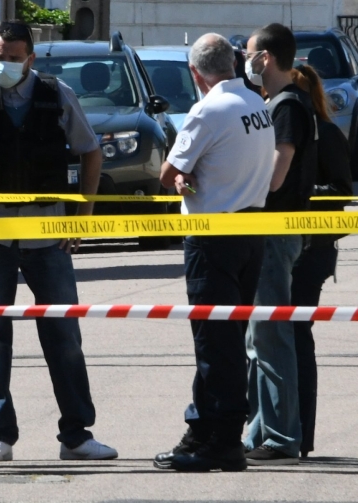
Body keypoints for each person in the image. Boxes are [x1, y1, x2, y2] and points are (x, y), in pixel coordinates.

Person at [0, 20, 117, 462]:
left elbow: (91, 151)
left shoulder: (57, 94)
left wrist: (80, 219)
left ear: (30, 57)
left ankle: (77, 435)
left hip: (48, 235)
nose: (3, 63)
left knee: (64, 334)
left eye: (12, 57)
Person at [154, 33, 275, 472]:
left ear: (194, 72)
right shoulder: (255, 103)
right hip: (250, 232)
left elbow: (169, 174)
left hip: (214, 236)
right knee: (224, 339)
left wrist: (185, 176)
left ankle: (222, 439)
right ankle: (203, 428)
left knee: (214, 341)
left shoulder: (208, 109)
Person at [243, 23, 319, 466]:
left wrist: (240, 188)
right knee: (259, 336)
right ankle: (260, 431)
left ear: (266, 58)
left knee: (271, 337)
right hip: (272, 231)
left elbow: (276, 172)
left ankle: (280, 436)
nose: (246, 60)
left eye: (249, 53)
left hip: (275, 230)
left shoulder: (286, 105)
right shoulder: (282, 102)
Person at [290, 64, 353, 457]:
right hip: (278, 249)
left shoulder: (326, 133)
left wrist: (301, 193)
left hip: (313, 252)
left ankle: (303, 434)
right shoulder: (278, 133)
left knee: (297, 334)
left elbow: (341, 191)